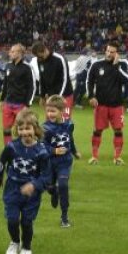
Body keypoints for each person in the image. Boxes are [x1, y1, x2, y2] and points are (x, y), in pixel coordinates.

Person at [0, 110, 51, 254]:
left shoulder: (42, 152)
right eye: (21, 129)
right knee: (12, 219)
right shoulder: (12, 147)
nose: (24, 132)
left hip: (31, 194)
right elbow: (2, 161)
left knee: (26, 222)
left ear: (35, 129)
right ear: (16, 130)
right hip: (12, 189)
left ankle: (26, 248)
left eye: (28, 128)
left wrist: (34, 185)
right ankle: (14, 242)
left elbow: (46, 176)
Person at [86, 42, 128, 165]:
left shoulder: (123, 64)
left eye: (112, 52)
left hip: (117, 105)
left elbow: (126, 80)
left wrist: (116, 66)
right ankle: (94, 157)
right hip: (101, 105)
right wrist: (91, 96)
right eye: (108, 51)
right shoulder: (97, 65)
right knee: (97, 130)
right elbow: (90, 81)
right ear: (105, 51)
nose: (109, 54)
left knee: (118, 130)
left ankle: (117, 157)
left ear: (117, 53)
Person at [42, 96, 79, 228]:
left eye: (53, 111)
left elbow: (70, 139)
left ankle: (64, 216)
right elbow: (42, 146)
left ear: (62, 111)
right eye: (48, 111)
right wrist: (54, 150)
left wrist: (74, 151)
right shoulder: (45, 128)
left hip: (65, 162)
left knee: (63, 185)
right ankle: (54, 192)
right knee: (49, 187)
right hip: (50, 163)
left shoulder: (69, 125)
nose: (50, 114)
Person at [0, 43, 37, 147]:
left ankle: (24, 149)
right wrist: (2, 100)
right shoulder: (8, 66)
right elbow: (5, 84)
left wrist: (27, 104)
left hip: (21, 105)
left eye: (12, 51)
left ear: (20, 53)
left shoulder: (27, 67)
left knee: (22, 129)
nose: (10, 53)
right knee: (6, 129)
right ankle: (8, 149)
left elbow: (32, 87)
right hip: (8, 103)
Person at [33, 42, 74, 120]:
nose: (40, 59)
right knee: (50, 122)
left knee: (65, 121)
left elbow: (65, 79)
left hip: (65, 96)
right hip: (51, 97)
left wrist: (59, 97)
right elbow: (42, 78)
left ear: (45, 50)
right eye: (38, 57)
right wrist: (42, 96)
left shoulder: (59, 59)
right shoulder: (39, 60)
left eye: (41, 56)